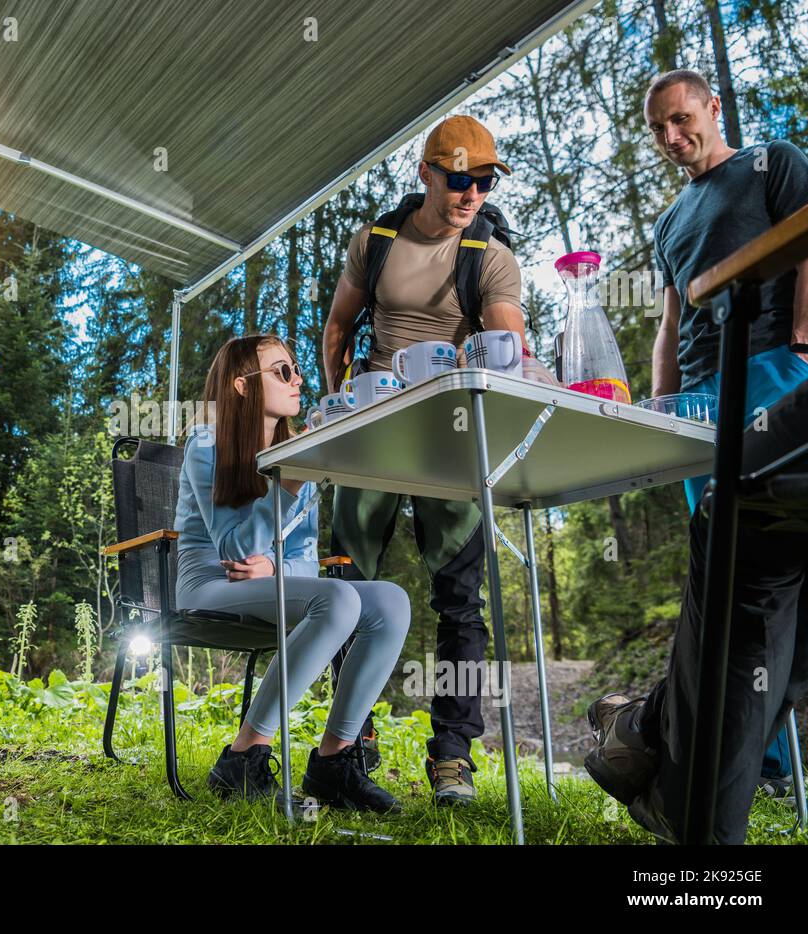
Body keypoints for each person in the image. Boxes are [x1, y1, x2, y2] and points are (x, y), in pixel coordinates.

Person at [585, 69, 808, 842]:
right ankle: (738, 765)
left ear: (714, 108)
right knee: (719, 578)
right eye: (658, 129)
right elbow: (672, 311)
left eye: (682, 120)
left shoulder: (772, 162)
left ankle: (755, 765)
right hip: (700, 394)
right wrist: (660, 404)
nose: (672, 137)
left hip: (774, 364)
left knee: (768, 572)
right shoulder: (672, 217)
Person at [321, 115, 532, 805]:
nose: (470, 193)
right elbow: (337, 326)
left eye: (484, 181)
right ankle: (351, 740)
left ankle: (453, 757)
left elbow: (509, 350)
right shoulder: (376, 242)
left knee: (460, 603)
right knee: (346, 589)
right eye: (458, 179)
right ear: (426, 173)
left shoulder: (491, 256)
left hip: (449, 435)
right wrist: (335, 402)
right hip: (376, 429)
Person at [175, 334, 411, 811]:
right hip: (208, 587)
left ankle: (333, 764)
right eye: (282, 371)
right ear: (243, 386)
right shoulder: (206, 445)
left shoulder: (296, 451)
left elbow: (305, 557)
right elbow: (234, 548)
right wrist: (292, 482)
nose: (298, 379)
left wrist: (275, 565)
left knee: (390, 600)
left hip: (264, 584)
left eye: (295, 368)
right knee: (338, 599)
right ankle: (244, 756)